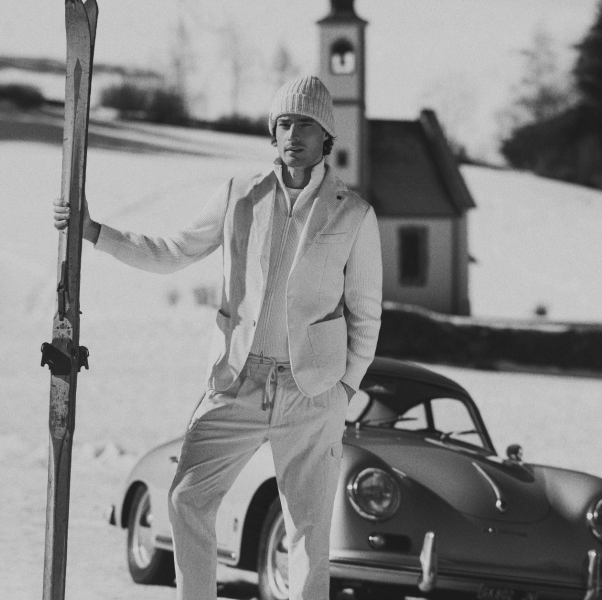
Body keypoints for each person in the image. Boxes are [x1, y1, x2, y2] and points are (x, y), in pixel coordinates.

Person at [53, 76, 381, 600]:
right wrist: (95, 232)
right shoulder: (240, 193)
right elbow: (173, 252)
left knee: (308, 533)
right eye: (284, 123)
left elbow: (366, 313)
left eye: (305, 124)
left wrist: (344, 389)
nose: (293, 134)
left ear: (326, 135)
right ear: (273, 132)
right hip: (237, 379)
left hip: (312, 391)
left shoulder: (353, 213)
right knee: (186, 498)